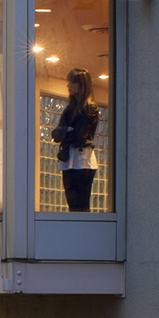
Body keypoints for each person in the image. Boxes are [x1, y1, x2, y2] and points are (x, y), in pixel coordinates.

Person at [52, 68, 102, 211]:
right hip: (69, 157)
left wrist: (66, 133)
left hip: (82, 158)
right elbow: (57, 132)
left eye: (71, 82)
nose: (68, 86)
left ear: (80, 85)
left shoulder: (90, 108)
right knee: (72, 203)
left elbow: (78, 134)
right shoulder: (70, 108)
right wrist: (67, 132)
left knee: (81, 204)